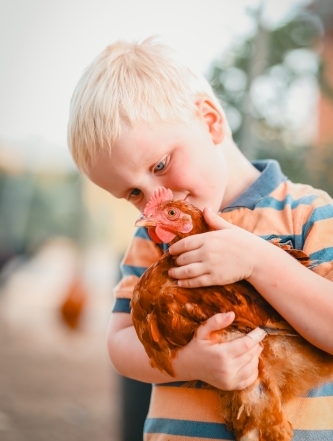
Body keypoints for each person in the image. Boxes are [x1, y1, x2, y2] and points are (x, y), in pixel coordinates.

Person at [68, 37, 333, 440]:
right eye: (133, 194)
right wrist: (188, 363)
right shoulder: (157, 242)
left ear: (210, 121)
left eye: (160, 164)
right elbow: (120, 343)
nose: (153, 201)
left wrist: (259, 262)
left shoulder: (308, 213)